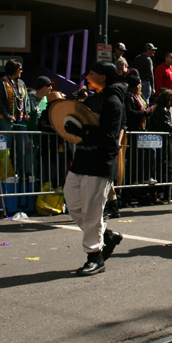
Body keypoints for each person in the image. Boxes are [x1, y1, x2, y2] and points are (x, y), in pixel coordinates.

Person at [62, 61, 126, 276]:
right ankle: (106, 236)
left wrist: (83, 133)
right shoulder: (90, 99)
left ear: (103, 77)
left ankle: (95, 257)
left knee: (92, 212)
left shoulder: (113, 102)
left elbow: (109, 138)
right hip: (81, 160)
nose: (87, 76)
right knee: (73, 204)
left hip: (99, 164)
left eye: (91, 73)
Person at [0, 59, 33, 179]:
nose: (21, 71)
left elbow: (26, 99)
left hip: (20, 119)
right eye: (19, 69)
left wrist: (27, 112)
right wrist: (7, 115)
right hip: (6, 119)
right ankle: (8, 174)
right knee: (7, 147)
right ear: (14, 70)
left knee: (21, 148)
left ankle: (21, 174)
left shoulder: (21, 83)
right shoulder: (1, 83)